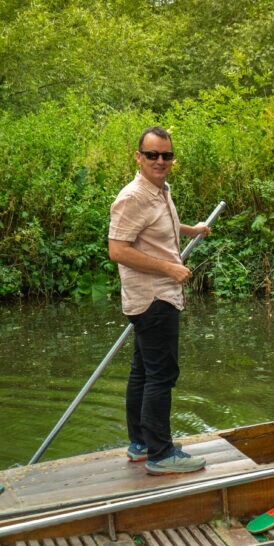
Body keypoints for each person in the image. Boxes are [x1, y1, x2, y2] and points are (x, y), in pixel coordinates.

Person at [108, 126, 210, 475]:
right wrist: (170, 268)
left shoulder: (159, 191)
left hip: (155, 298)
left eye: (166, 155)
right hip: (154, 299)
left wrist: (190, 230)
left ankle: (140, 445)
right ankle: (160, 454)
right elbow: (117, 250)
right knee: (161, 375)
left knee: (142, 372)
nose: (160, 161)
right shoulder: (133, 196)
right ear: (138, 157)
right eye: (152, 154)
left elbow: (157, 227)